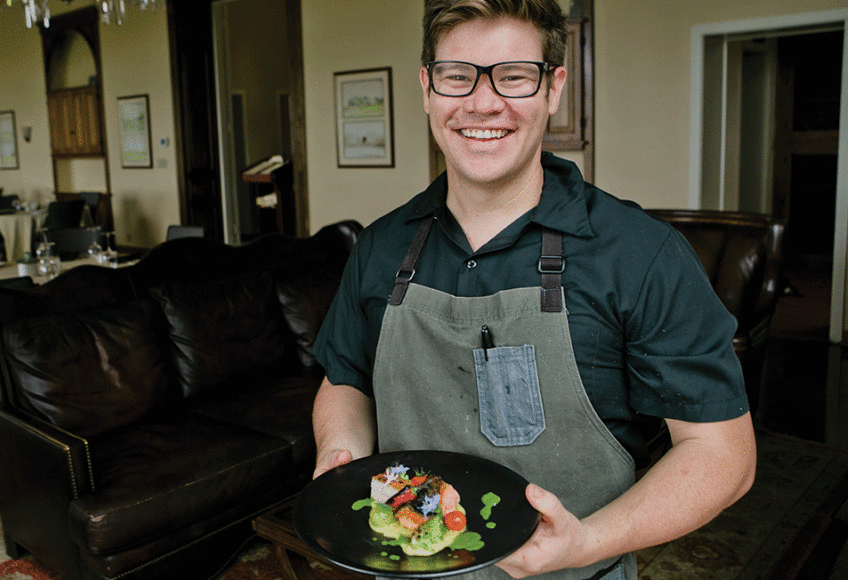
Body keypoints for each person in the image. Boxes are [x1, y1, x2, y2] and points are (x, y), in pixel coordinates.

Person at [309, 1, 757, 578]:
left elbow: (722, 455)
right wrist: (338, 454)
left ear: (554, 89)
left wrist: (586, 541)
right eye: (457, 75)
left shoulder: (639, 253)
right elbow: (345, 379)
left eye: (514, 75)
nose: (483, 101)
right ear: (427, 88)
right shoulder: (379, 247)